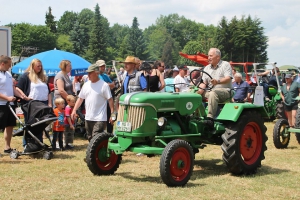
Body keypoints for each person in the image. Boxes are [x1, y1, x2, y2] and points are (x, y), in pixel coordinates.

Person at [71, 64, 114, 142]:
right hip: (88, 117)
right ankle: (96, 153)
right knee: (90, 138)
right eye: (88, 73)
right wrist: (74, 110)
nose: (88, 75)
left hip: (100, 118)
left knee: (96, 137)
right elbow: (80, 99)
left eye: (90, 73)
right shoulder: (86, 85)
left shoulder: (104, 85)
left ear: (96, 73)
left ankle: (99, 152)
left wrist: (112, 114)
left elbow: (110, 100)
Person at [16, 58, 52, 148]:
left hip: (43, 103)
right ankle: (27, 144)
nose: (39, 68)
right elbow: (17, 88)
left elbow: (48, 92)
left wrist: (50, 103)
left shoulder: (43, 77)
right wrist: (24, 97)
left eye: (40, 66)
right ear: (32, 66)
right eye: (38, 66)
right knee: (30, 124)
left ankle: (39, 143)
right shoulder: (26, 76)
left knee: (41, 124)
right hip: (31, 104)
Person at [197, 48, 233, 127]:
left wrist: (218, 81)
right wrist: (199, 91)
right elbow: (204, 82)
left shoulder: (225, 65)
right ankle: (194, 116)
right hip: (210, 91)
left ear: (218, 57)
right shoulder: (206, 68)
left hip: (225, 91)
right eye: (208, 56)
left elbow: (228, 78)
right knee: (193, 94)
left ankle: (210, 119)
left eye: (211, 56)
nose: (208, 58)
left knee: (213, 94)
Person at [0, 56, 23, 153]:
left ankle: (7, 147)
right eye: (9, 64)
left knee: (10, 126)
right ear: (2, 64)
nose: (10, 67)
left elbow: (13, 88)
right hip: (1, 104)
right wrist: (7, 98)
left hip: (10, 104)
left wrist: (22, 96)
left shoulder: (8, 74)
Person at [96, 59, 115, 134]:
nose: (103, 68)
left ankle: (110, 134)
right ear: (97, 67)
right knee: (101, 120)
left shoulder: (104, 75)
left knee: (110, 119)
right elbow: (103, 86)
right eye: (101, 66)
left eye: (104, 66)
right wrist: (108, 85)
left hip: (107, 101)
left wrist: (108, 85)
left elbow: (112, 85)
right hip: (100, 102)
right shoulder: (97, 76)